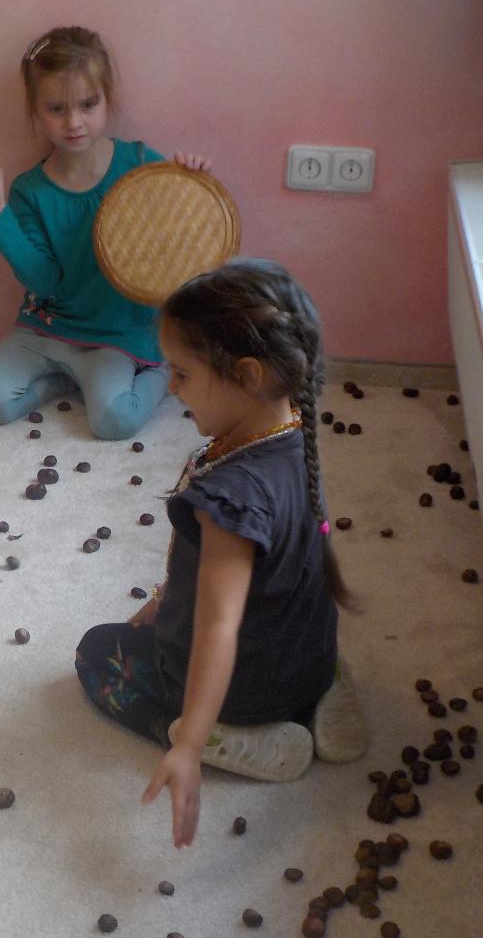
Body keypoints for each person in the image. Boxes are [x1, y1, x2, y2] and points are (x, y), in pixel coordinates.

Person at [74, 258, 367, 848]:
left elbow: (217, 630)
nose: (171, 388)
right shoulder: (296, 433)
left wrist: (186, 745)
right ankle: (327, 688)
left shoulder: (230, 499)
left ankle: (215, 734)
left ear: (249, 376)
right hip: (307, 657)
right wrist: (167, 598)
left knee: (96, 651)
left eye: (183, 373)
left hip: (242, 692)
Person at [0, 26, 210, 440]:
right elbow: (44, 281)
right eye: (56, 108)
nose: (73, 122)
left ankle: (161, 366)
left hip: (116, 335)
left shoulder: (140, 165)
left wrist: (192, 185)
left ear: (106, 98)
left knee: (114, 422)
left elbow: (184, 241)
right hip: (47, 328)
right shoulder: (29, 190)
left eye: (87, 104)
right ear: (35, 110)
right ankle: (64, 380)